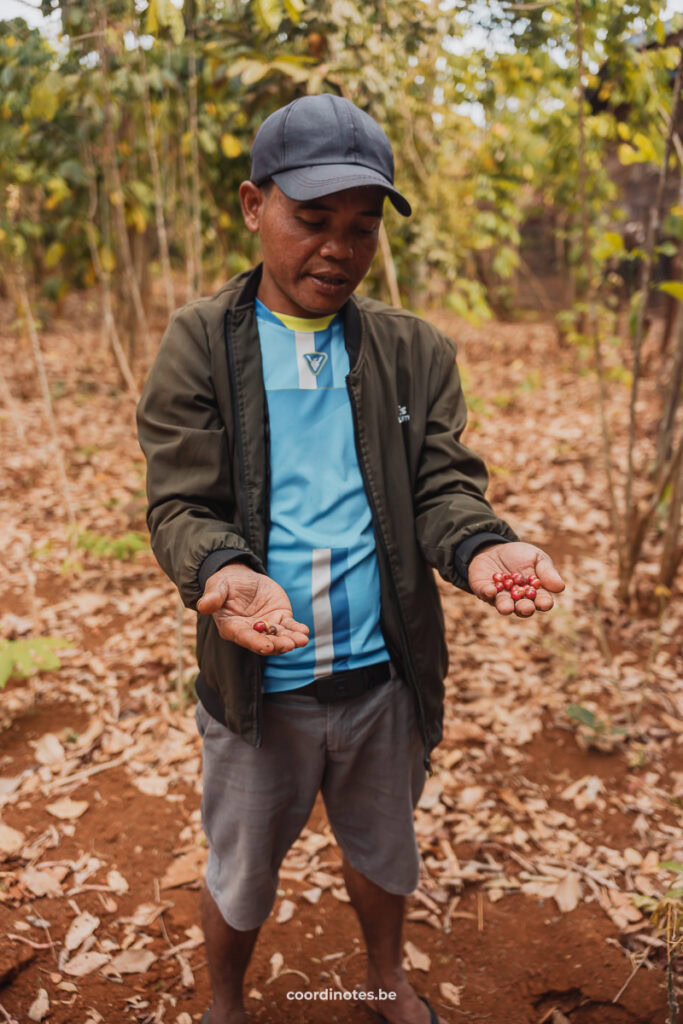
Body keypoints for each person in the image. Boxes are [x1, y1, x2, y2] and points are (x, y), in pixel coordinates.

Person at [137, 93, 565, 1024]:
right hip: (262, 689)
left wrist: (482, 547)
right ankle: (224, 1000)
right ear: (255, 207)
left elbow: (442, 489)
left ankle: (383, 981)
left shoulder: (413, 353)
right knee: (242, 868)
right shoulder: (201, 344)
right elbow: (180, 501)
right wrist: (223, 573)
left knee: (382, 849)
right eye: (312, 219)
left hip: (382, 678)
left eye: (361, 227)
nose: (338, 247)